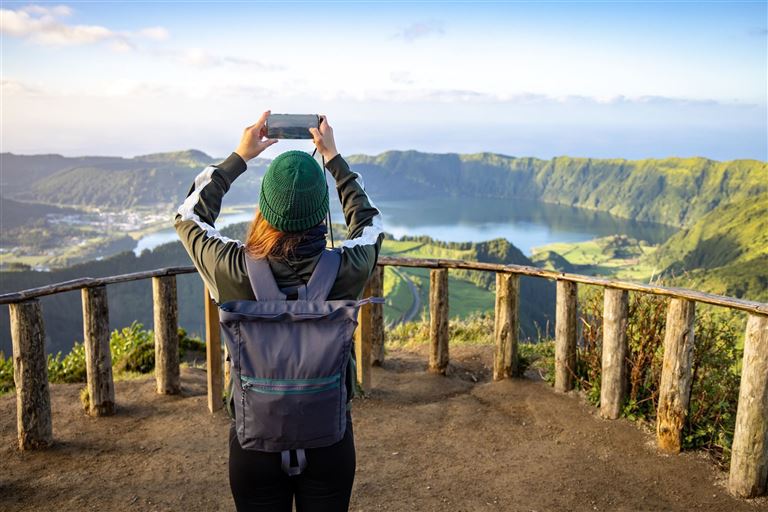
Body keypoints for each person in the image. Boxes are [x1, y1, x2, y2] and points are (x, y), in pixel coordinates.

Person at [174, 111, 383, 511]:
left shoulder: (232, 268)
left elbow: (189, 216)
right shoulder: (347, 269)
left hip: (254, 445)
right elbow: (370, 226)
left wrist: (241, 155)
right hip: (329, 442)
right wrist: (334, 159)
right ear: (322, 213)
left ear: (264, 208)